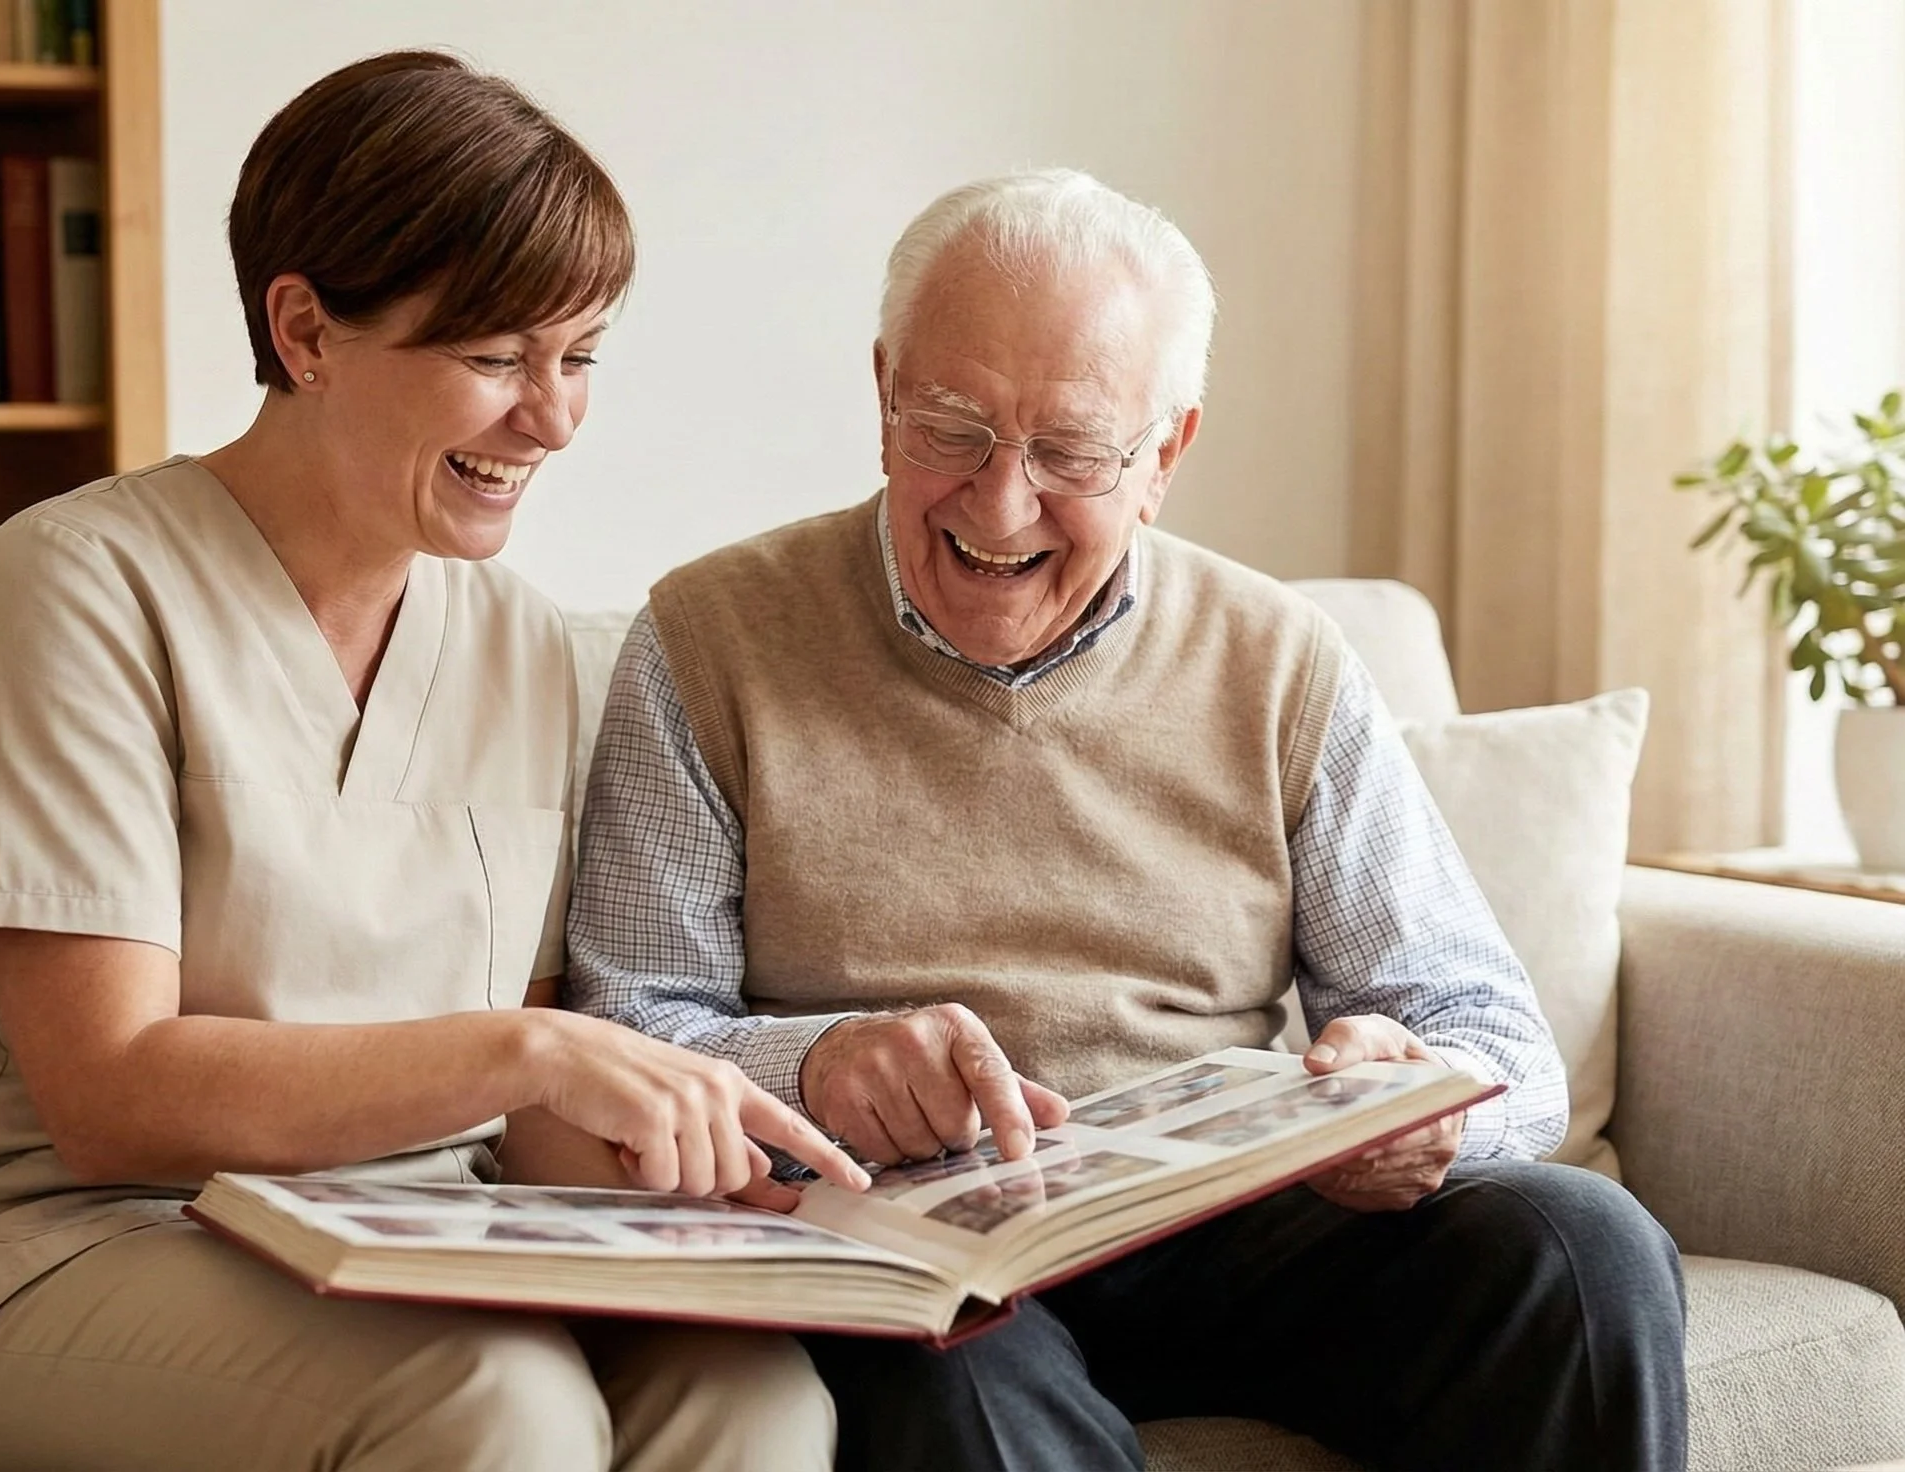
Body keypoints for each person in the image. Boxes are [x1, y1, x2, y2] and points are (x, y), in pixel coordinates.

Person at [568, 169, 1688, 1471]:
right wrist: (813, 1068)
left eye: (1071, 451)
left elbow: (1487, 1028)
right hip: (912, 1239)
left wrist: (1424, 1108)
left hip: (1226, 1225)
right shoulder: (709, 639)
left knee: (1579, 1253)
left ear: (1166, 453)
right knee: (954, 1388)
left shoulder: (1277, 659)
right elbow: (626, 1027)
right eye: (952, 424)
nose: (999, 503)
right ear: (882, 393)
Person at [0, 50, 867, 1472]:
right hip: (80, 1248)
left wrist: (712, 1172)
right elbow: (108, 1096)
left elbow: (536, 1108)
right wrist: (530, 1053)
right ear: (308, 330)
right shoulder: (72, 588)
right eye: (497, 357)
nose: (553, 418)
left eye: (579, 359)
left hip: (430, 1238)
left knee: (751, 1394)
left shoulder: (518, 641)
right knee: (492, 1401)